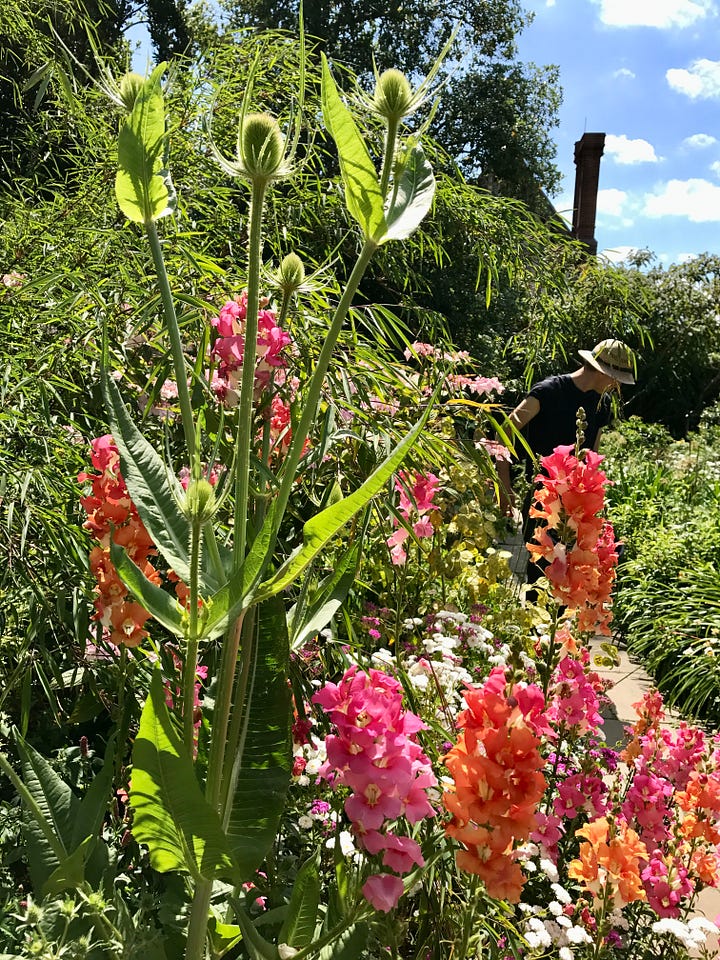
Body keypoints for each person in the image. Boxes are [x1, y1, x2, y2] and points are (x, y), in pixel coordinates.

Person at [496, 338, 636, 588]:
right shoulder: (548, 391)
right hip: (542, 499)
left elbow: (591, 459)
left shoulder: (601, 405)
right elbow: (502, 435)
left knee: (572, 581)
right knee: (539, 577)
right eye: (616, 379)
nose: (616, 386)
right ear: (605, 373)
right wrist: (504, 490)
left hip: (577, 507)